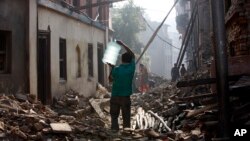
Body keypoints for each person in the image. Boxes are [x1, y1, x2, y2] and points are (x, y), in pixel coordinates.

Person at [107, 40, 135, 132]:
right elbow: (132, 54)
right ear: (130, 60)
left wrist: (112, 68)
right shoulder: (131, 68)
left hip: (115, 96)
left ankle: (114, 132)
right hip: (125, 97)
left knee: (114, 116)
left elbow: (110, 79)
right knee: (126, 117)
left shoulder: (116, 69)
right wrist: (123, 44)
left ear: (122, 60)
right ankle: (126, 133)